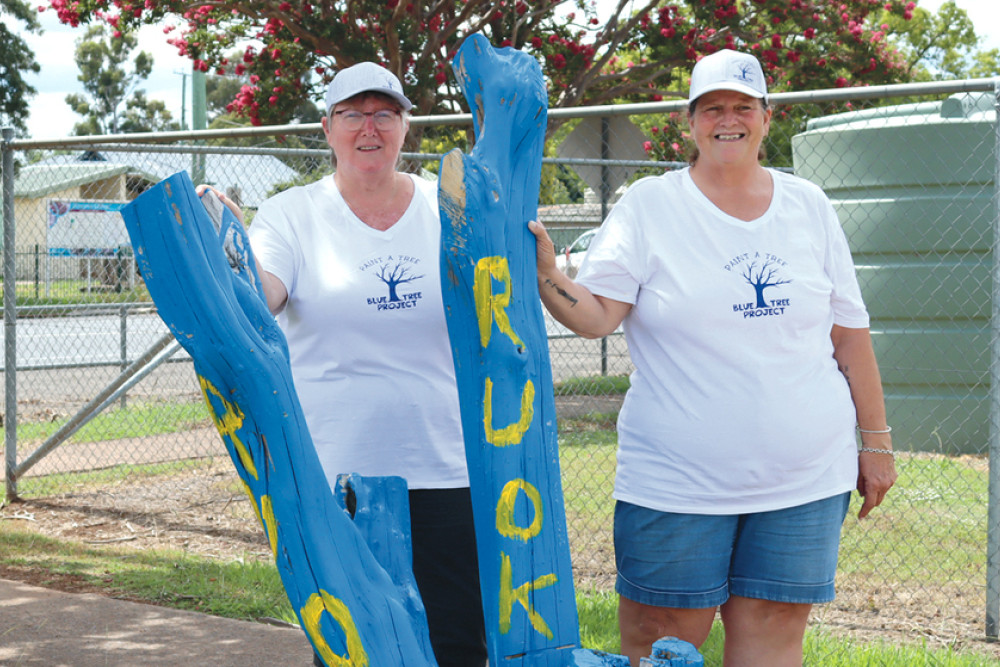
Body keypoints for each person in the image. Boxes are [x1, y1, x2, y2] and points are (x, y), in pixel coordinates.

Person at [528, 49, 897, 666]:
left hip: (804, 476)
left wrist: (877, 443)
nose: (729, 119)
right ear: (689, 121)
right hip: (678, 480)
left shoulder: (808, 205)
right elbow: (595, 316)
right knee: (659, 637)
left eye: (743, 106)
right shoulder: (650, 205)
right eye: (713, 108)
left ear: (766, 117)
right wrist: (546, 276)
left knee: (776, 628)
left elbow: (850, 336)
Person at [202, 62, 487, 667]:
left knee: (458, 643)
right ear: (327, 128)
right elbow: (262, 297)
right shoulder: (293, 214)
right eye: (352, 114)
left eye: (385, 114)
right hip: (340, 477)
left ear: (406, 127)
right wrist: (218, 248)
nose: (369, 128)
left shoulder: (450, 207)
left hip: (448, 468)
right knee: (351, 647)